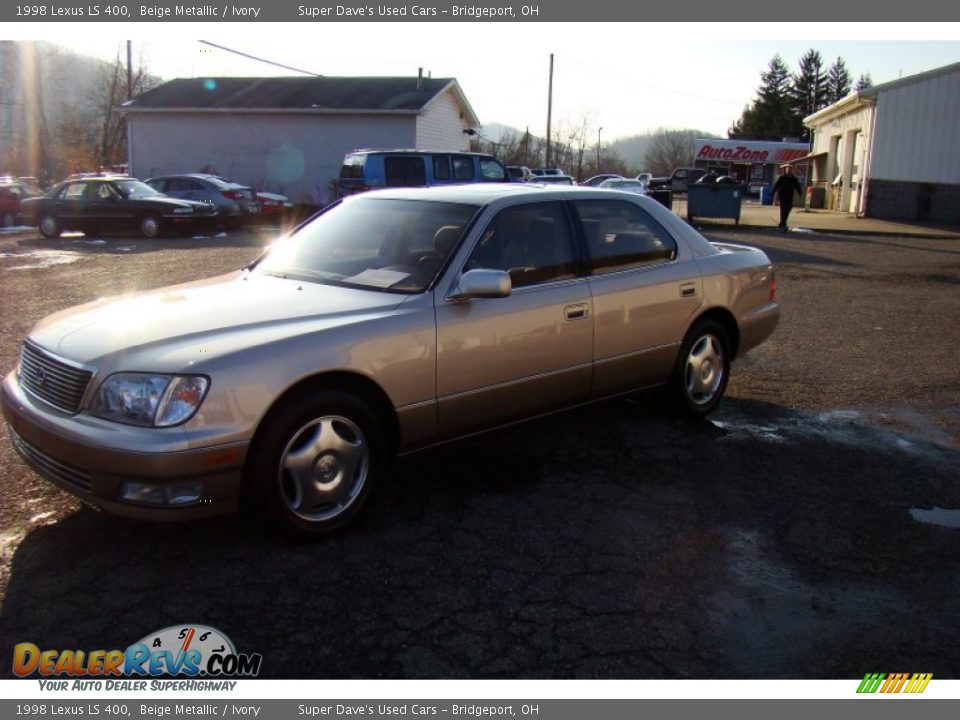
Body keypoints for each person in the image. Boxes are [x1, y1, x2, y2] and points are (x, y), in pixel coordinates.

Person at [771, 165, 803, 231]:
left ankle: (783, 222)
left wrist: (800, 192)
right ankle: (783, 223)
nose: (789, 171)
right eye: (788, 170)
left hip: (789, 196)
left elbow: (797, 186)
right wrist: (772, 193)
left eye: (790, 170)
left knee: (788, 208)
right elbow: (776, 185)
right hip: (782, 195)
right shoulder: (782, 178)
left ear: (792, 171)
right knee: (783, 209)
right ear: (786, 171)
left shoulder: (793, 179)